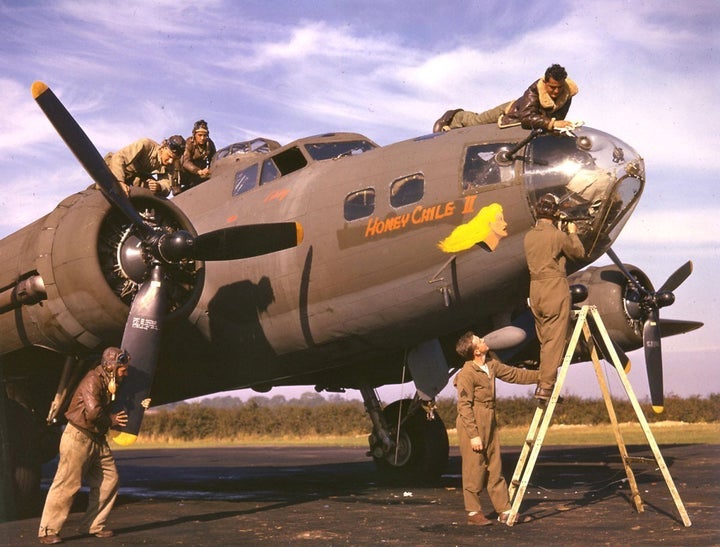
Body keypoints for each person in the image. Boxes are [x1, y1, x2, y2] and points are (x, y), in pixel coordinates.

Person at [38, 348, 132, 544]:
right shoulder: (92, 380)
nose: (126, 373)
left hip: (97, 437)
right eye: (123, 370)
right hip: (78, 436)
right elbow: (93, 412)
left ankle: (93, 525)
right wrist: (112, 420)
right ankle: (48, 531)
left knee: (109, 480)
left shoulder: (111, 381)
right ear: (110, 367)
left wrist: (140, 405)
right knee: (67, 484)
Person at [454, 332, 539, 526]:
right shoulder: (467, 373)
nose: (484, 340)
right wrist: (474, 435)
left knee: (495, 465)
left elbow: (514, 374)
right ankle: (473, 512)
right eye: (479, 340)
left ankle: (504, 510)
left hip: (489, 417)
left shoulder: (490, 366)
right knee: (474, 467)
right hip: (472, 420)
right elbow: (464, 406)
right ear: (476, 351)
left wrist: (541, 376)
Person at [523, 194, 585, 402]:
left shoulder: (529, 236)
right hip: (553, 287)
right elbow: (578, 253)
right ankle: (546, 387)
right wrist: (572, 233)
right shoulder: (557, 236)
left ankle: (544, 381)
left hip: (535, 290)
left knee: (544, 340)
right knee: (554, 340)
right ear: (555, 212)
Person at [434, 64, 579, 132]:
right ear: (545, 82)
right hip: (509, 111)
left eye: (559, 87)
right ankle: (455, 116)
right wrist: (552, 124)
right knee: (475, 122)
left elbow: (558, 117)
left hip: (531, 119)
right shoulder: (534, 90)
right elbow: (527, 117)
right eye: (552, 87)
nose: (556, 91)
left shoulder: (566, 94)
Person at [104, 135, 186, 197]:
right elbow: (119, 157)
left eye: (175, 159)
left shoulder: (170, 164)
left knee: (152, 193)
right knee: (105, 190)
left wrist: (159, 186)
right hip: (115, 168)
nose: (171, 161)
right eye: (169, 156)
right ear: (163, 147)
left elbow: (167, 186)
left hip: (134, 176)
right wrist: (119, 181)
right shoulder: (146, 144)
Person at [175, 120, 217, 194]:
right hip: (185, 173)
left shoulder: (210, 144)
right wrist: (198, 171)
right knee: (176, 162)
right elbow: (185, 162)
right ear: (194, 134)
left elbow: (214, 159)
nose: (203, 138)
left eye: (205, 135)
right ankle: (176, 188)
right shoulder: (188, 143)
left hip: (199, 174)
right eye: (200, 135)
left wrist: (210, 170)